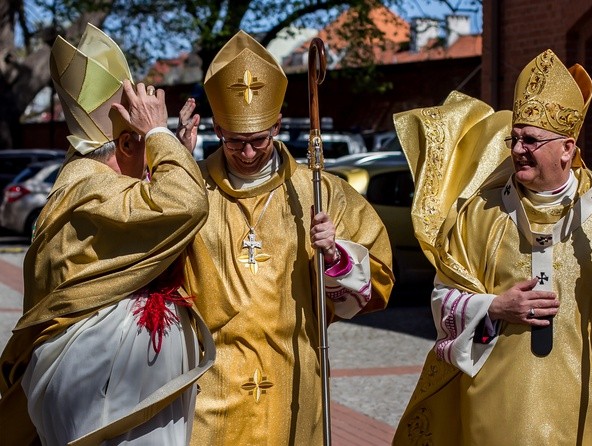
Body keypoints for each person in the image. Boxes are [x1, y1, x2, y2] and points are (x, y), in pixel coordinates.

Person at [392, 49, 592, 445]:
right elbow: (442, 301)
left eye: (532, 140)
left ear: (567, 148)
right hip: (496, 411)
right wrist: (494, 307)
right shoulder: (479, 215)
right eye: (515, 138)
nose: (519, 149)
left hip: (589, 408)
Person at [174, 30, 395, 444]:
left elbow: (378, 279)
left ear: (276, 124)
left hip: (293, 370)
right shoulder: (190, 190)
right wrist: (174, 168)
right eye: (234, 140)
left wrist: (334, 256)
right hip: (211, 377)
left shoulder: (318, 190)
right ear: (217, 127)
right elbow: (151, 258)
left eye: (258, 140)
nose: (247, 152)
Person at [0, 24, 213, 445]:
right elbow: (186, 204)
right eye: (142, 145)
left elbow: (147, 222)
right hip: (103, 386)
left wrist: (176, 152)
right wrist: (159, 134)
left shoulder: (80, 182)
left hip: (94, 380)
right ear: (127, 144)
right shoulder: (96, 188)